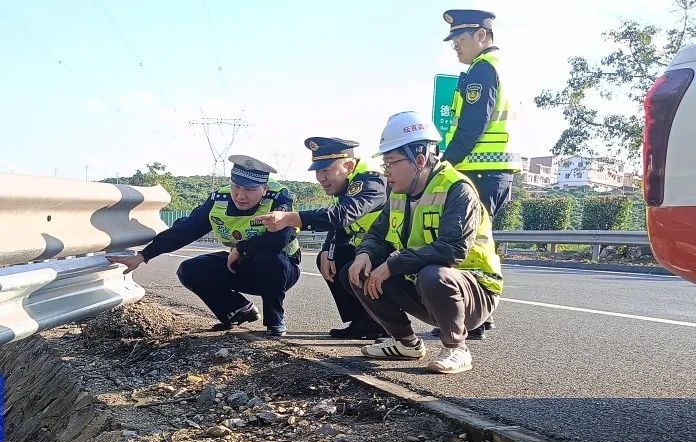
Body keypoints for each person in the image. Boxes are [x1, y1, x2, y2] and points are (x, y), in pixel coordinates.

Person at [342, 111, 504, 374]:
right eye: (385, 164)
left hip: (472, 290)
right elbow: (377, 235)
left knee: (434, 274)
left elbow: (452, 249)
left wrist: (392, 265)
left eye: (392, 163)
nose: (387, 172)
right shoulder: (398, 193)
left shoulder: (456, 189)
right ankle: (406, 343)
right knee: (358, 271)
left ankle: (457, 348)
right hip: (422, 286)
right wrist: (365, 254)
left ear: (419, 160)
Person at [107, 155, 301, 337]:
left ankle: (274, 321)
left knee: (269, 258)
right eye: (236, 187)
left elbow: (279, 240)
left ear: (264, 189)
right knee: (190, 270)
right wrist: (143, 255)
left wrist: (242, 249)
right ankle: (237, 311)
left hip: (281, 269)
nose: (240, 196)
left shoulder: (279, 197)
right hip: (240, 264)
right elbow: (186, 230)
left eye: (250, 190)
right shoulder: (219, 200)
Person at [434, 9, 523, 337]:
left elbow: (472, 125)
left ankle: (474, 319)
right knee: (477, 243)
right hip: (492, 172)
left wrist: (445, 165)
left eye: (459, 38)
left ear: (482, 36)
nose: (454, 45)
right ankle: (477, 318)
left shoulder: (483, 70)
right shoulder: (496, 68)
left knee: (467, 243)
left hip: (479, 172)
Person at [254, 137, 388, 339]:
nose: (320, 178)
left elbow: (343, 215)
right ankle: (364, 322)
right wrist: (328, 249)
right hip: (369, 249)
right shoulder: (346, 184)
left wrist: (290, 218)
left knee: (349, 270)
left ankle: (387, 323)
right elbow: (340, 225)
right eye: (318, 171)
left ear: (349, 165)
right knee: (329, 258)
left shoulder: (371, 181)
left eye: (326, 170)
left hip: (390, 250)